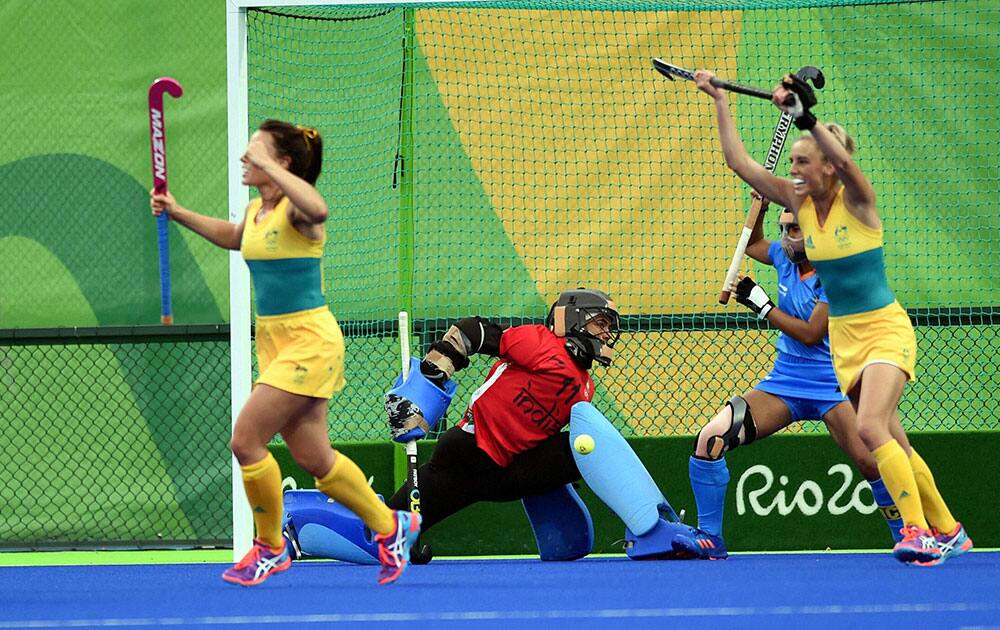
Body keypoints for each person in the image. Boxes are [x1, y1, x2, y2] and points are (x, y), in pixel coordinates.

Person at [691, 69, 972, 565]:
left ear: (828, 166)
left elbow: (844, 158)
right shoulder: (797, 205)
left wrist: (806, 116)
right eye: (793, 161)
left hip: (884, 328)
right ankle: (949, 528)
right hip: (845, 341)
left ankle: (915, 530)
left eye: (804, 161)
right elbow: (739, 162)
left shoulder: (860, 203)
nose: (795, 169)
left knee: (870, 431)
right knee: (894, 442)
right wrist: (718, 99)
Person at [150, 119, 420, 586]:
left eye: (254, 151)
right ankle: (391, 525)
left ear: (283, 163)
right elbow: (233, 237)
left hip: (310, 341)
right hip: (275, 342)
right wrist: (176, 211)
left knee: (245, 440)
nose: (243, 158)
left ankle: (271, 547)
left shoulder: (299, 214)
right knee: (316, 459)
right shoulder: (259, 211)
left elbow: (319, 206)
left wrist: (276, 171)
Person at [672, 197, 903, 560]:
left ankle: (907, 535)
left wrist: (762, 306)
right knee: (711, 438)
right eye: (782, 229)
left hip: (835, 382)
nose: (785, 238)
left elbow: (812, 333)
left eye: (793, 229)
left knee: (872, 462)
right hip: (785, 382)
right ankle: (710, 539)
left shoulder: (835, 275)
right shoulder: (783, 256)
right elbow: (752, 244)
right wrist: (760, 208)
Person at [382, 289, 620, 542]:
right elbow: (470, 331)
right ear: (574, 318)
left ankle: (641, 525)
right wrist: (432, 375)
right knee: (383, 533)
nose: (606, 334)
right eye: (601, 323)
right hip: (468, 455)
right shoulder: (540, 342)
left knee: (584, 444)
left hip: (509, 472)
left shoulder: (586, 387)